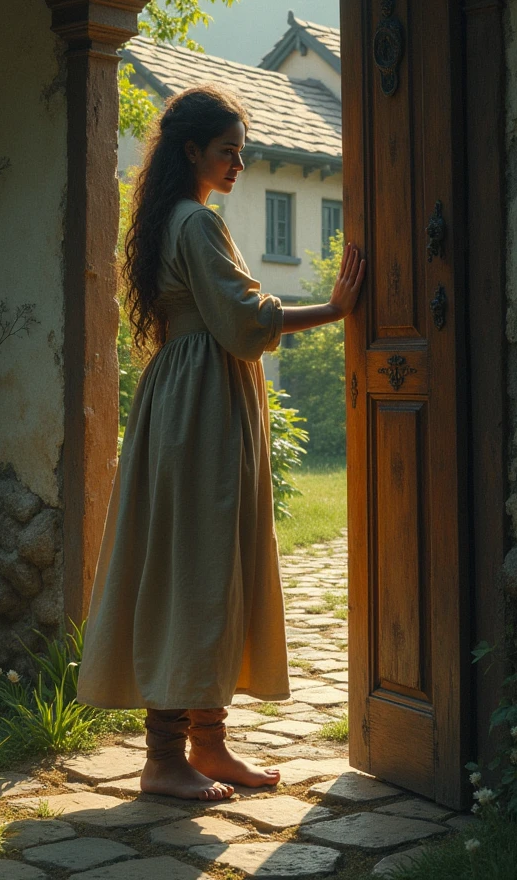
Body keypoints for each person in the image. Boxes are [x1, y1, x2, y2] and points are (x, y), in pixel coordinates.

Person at [76, 84, 366, 802]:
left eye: (242, 152)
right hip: (199, 407)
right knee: (196, 566)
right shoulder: (195, 225)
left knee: (209, 560)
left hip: (190, 401)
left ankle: (208, 744)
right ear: (191, 152)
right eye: (227, 152)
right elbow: (241, 321)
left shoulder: (175, 218)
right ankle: (163, 758)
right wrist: (332, 308)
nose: (238, 163)